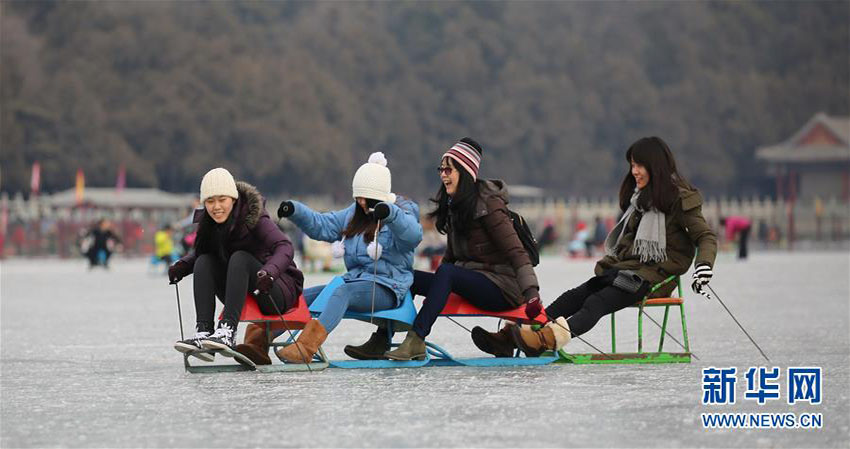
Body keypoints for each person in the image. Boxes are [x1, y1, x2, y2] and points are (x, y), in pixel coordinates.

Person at [474, 136, 717, 357]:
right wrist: (610, 266)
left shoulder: (681, 200)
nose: (634, 172)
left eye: (639, 166)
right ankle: (512, 336)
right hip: (626, 273)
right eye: (632, 166)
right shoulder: (641, 201)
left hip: (655, 279)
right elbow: (628, 246)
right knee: (573, 297)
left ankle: (544, 340)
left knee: (596, 303)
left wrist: (703, 266)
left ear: (656, 166)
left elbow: (705, 236)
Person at [380, 137, 542, 361]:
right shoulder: (456, 205)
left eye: (449, 170)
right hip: (474, 280)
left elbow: (516, 252)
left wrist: (532, 294)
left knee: (446, 273)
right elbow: (452, 258)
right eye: (441, 169)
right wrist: (437, 286)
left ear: (465, 173)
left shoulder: (490, 206)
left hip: (503, 288)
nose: (443, 174)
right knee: (407, 277)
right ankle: (382, 338)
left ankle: (416, 339)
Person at [263, 152, 423, 364]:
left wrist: (390, 214)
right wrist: (295, 210)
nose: (362, 203)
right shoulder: (353, 213)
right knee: (302, 296)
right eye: (358, 197)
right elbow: (323, 225)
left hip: (387, 287)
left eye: (368, 198)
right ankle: (259, 340)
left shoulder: (401, 213)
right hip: (356, 282)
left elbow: (412, 236)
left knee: (342, 291)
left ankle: (306, 347)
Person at [168, 168, 304, 364]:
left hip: (274, 290)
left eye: (222, 199)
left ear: (233, 198)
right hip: (241, 289)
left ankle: (227, 331)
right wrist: (182, 266)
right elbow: (199, 253)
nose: (216, 207)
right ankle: (204, 331)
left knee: (240, 257)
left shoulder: (254, 216)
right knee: (204, 260)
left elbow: (285, 247)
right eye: (210, 201)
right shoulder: (209, 224)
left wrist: (269, 273)